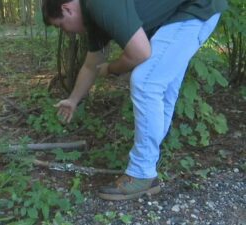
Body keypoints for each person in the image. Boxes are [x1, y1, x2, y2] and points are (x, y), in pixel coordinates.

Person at [42, 0, 228, 201]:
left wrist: (112, 69)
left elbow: (140, 52)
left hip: (196, 7)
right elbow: (91, 65)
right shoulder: (93, 18)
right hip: (181, 13)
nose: (67, 32)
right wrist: (73, 99)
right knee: (160, 88)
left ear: (66, 8)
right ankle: (147, 167)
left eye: (60, 25)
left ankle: (142, 173)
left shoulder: (98, 4)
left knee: (146, 82)